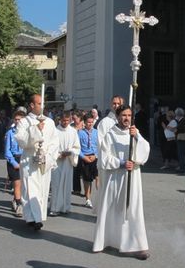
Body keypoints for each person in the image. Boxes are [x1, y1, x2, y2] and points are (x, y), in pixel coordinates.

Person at [93, 105, 150, 259]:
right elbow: (104, 158)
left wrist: (137, 136)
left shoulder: (134, 133)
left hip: (132, 177)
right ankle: (107, 240)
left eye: (129, 115)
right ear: (117, 117)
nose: (126, 118)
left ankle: (137, 245)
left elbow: (145, 150)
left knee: (132, 209)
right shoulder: (110, 135)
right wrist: (121, 163)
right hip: (115, 177)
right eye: (123, 115)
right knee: (113, 208)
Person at [15, 94, 60, 230]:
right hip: (29, 160)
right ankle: (31, 218)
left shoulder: (50, 122)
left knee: (42, 189)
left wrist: (49, 156)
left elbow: (54, 141)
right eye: (39, 103)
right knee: (30, 189)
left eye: (43, 103)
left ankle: (39, 216)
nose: (42, 106)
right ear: (32, 105)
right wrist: (35, 130)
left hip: (43, 160)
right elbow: (21, 141)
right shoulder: (24, 122)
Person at [49, 111, 80, 216]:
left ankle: (65, 207)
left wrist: (70, 152)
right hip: (57, 162)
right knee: (56, 185)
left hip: (68, 162)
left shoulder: (73, 132)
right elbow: (50, 147)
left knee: (66, 185)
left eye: (67, 120)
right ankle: (54, 207)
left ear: (70, 120)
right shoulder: (54, 131)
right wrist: (58, 154)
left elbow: (77, 147)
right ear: (60, 120)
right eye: (63, 120)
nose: (65, 122)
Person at [5, 107, 26, 217]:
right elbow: (7, 151)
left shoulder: (26, 132)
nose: (17, 121)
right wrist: (14, 163)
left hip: (24, 158)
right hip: (13, 159)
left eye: (20, 119)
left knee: (22, 184)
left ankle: (15, 199)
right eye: (16, 119)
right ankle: (19, 205)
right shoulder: (10, 133)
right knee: (17, 183)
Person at [77, 113, 99, 208]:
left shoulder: (97, 132)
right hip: (85, 157)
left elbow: (100, 146)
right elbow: (77, 147)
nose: (90, 124)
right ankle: (88, 198)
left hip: (95, 157)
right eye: (88, 122)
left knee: (96, 178)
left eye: (91, 122)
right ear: (84, 123)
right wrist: (83, 157)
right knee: (86, 179)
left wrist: (96, 155)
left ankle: (99, 196)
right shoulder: (80, 133)